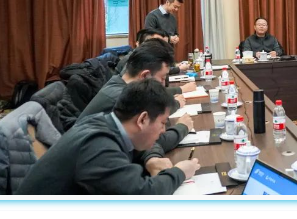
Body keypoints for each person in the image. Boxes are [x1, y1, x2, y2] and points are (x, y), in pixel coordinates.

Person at [16, 78, 200, 195]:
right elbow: (142, 194)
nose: (163, 130)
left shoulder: (103, 122)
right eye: (162, 122)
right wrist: (180, 172)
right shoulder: (99, 146)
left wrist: (152, 158)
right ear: (142, 119)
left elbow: (140, 149)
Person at [77, 39, 193, 168]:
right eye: (162, 78)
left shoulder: (120, 83)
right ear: (145, 76)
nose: (163, 84)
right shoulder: (122, 97)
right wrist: (183, 127)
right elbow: (152, 141)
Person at [117, 29, 197, 94]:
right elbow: (146, 94)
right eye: (156, 44)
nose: (161, 48)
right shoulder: (132, 60)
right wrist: (181, 90)